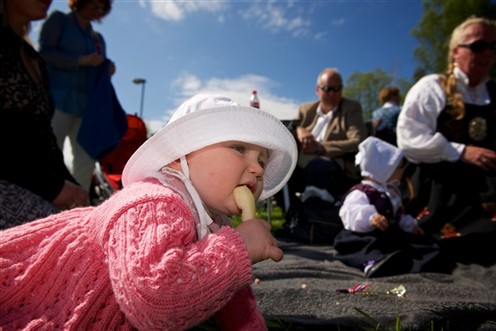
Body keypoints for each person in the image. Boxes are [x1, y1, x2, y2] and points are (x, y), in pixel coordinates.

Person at [0, 93, 298, 330]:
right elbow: (154, 301)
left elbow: (232, 297)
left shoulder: (215, 227)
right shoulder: (153, 202)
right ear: (179, 158)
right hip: (25, 307)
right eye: (239, 148)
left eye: (262, 158)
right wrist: (240, 249)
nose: (258, 168)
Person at [396, 16, 496, 264]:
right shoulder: (432, 86)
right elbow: (409, 139)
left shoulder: (493, 92)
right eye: (478, 45)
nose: (487, 53)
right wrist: (461, 151)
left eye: (493, 47)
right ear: (455, 52)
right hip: (441, 181)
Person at [0, 0, 89, 229]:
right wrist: (53, 187)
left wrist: (72, 188)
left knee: (88, 227)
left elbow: (44, 141)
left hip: (29, 182)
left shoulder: (32, 58)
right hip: (13, 182)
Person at [333, 137, 454, 278]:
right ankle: (372, 263)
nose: (402, 171)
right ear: (383, 169)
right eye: (399, 167)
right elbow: (351, 212)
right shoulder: (362, 192)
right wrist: (371, 217)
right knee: (365, 246)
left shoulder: (391, 191)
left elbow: (398, 214)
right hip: (364, 234)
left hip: (387, 234)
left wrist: (410, 224)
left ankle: (403, 261)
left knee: (418, 245)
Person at [39, 0, 116, 192]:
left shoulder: (98, 39)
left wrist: (107, 67)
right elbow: (44, 55)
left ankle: (77, 211)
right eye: (94, 3)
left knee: (86, 160)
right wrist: (79, 60)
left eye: (101, 8)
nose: (96, 10)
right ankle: (42, 201)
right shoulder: (59, 21)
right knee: (47, 156)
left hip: (87, 110)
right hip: (57, 102)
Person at [285, 68, 367, 210]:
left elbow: (358, 141)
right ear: (318, 90)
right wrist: (300, 130)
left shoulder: (351, 108)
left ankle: (315, 217)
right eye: (327, 88)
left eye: (337, 89)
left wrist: (320, 148)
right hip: (299, 164)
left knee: (319, 165)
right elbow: (291, 126)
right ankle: (292, 213)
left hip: (332, 165)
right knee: (277, 167)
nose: (332, 93)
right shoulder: (306, 109)